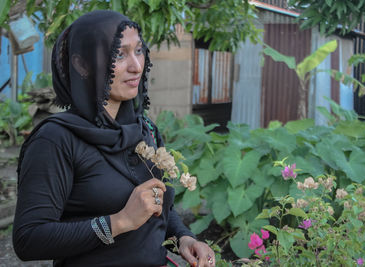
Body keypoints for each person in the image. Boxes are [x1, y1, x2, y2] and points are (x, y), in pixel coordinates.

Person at [12, 10, 215, 267]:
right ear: (82, 65)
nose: (136, 66)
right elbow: (28, 239)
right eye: (119, 54)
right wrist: (119, 222)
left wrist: (184, 238)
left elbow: (159, 208)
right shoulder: (56, 140)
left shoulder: (146, 131)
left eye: (139, 51)